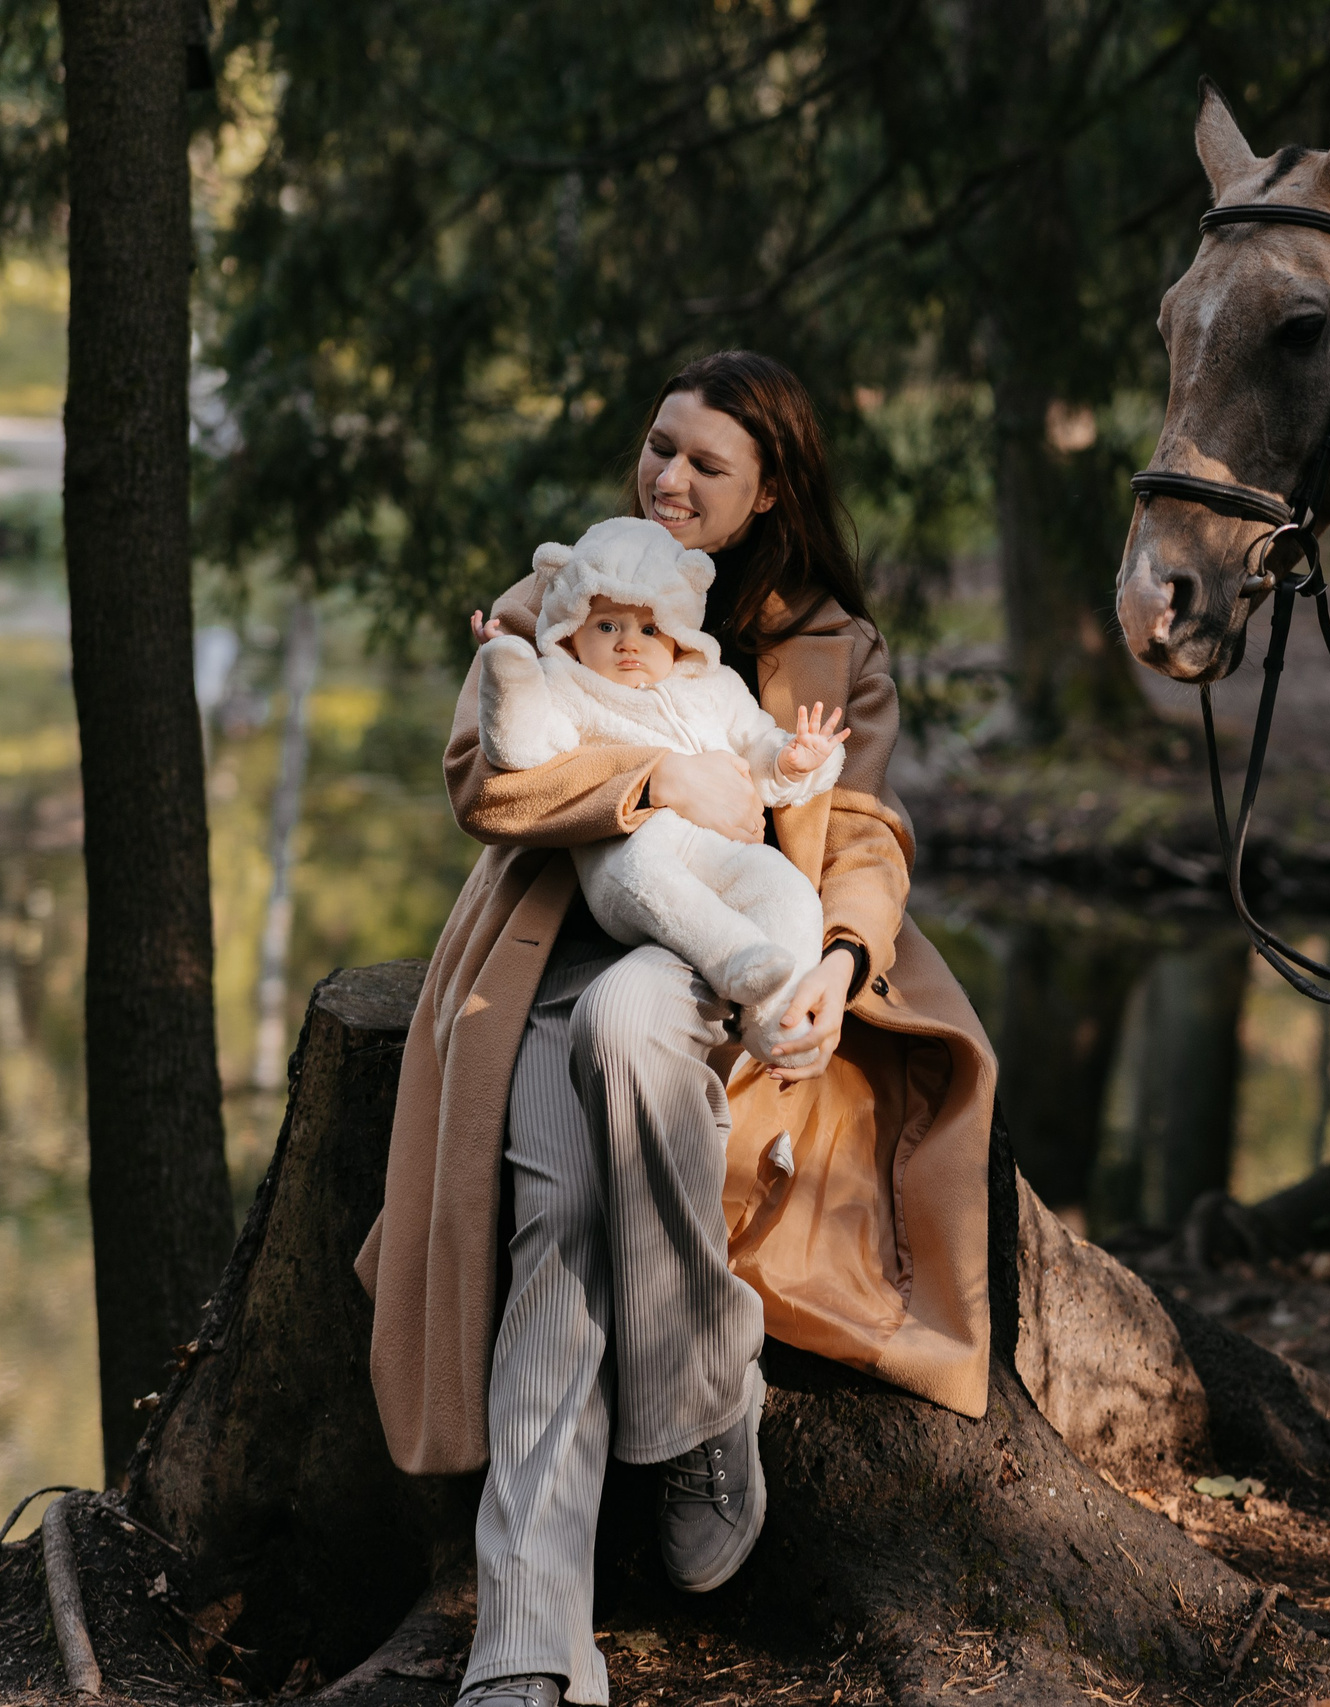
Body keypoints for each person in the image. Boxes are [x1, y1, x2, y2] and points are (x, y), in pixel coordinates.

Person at [355, 351, 1000, 1707]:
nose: (670, 476)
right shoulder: (568, 588)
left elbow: (864, 833)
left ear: (770, 492)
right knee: (558, 1211)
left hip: (743, 957)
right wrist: (659, 778)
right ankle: (553, 1610)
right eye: (660, 446)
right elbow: (484, 782)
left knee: (636, 1021)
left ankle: (645, 1471)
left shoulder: (829, 642)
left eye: (708, 461)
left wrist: (838, 959)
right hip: (554, 950)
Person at [473, 515, 850, 1058]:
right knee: (650, 874)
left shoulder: (712, 686)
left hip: (720, 853)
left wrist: (792, 761)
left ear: (678, 634)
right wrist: (508, 674)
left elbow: (757, 748)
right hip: (629, 858)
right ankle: (733, 957)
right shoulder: (569, 688)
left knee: (788, 892)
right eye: (607, 627)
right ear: (571, 631)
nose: (629, 644)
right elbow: (521, 750)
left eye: (649, 630)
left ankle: (777, 1025)